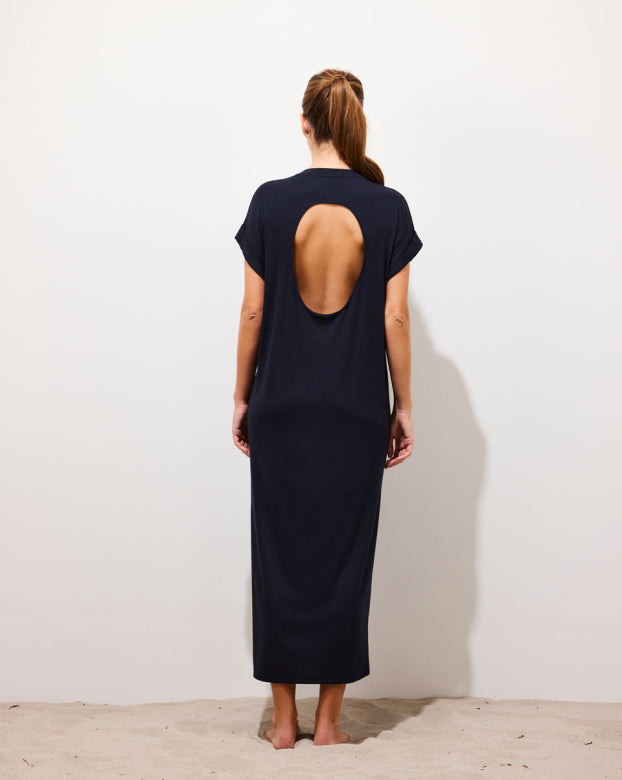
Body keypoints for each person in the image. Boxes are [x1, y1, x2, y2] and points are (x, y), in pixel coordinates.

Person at [232, 68, 423, 749]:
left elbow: (253, 311)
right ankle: (330, 724)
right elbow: (394, 319)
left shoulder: (270, 202)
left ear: (305, 122)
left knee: (278, 556)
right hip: (355, 408)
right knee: (346, 557)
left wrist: (242, 396)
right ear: (355, 123)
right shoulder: (388, 207)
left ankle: (284, 723)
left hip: (281, 404)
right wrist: (403, 404)